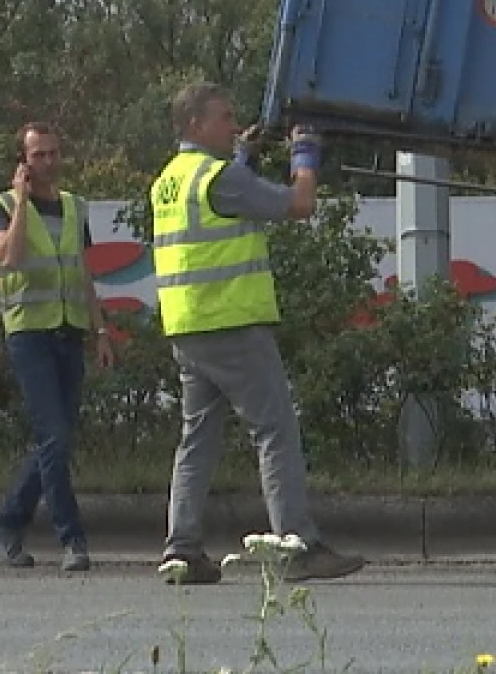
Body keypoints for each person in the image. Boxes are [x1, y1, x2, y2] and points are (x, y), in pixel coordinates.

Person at [148, 82, 366, 585]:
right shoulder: (219, 176)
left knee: (197, 439)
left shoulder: (171, 178)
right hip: (232, 322)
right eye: (225, 117)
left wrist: (245, 153)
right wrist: (305, 154)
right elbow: (300, 204)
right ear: (197, 125)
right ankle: (298, 547)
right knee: (274, 431)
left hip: (188, 325)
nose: (233, 123)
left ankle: (181, 550)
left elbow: (221, 203)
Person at [0, 121, 116, 572]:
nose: (49, 162)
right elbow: (12, 256)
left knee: (56, 441)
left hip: (69, 331)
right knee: (53, 436)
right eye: (39, 155)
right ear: (23, 162)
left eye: (54, 153)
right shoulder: (0, 206)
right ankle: (72, 538)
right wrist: (20, 200)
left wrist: (100, 332)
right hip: (29, 334)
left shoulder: (75, 207)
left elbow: (83, 274)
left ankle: (6, 525)